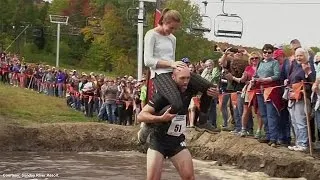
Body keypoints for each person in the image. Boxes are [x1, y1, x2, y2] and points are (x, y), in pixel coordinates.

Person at [139, 8, 215, 143]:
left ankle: (202, 120)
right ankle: (151, 123)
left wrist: (178, 68)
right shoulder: (151, 34)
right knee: (176, 102)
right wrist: (171, 64)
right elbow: (148, 61)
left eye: (175, 29)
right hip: (159, 73)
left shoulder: (172, 38)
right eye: (171, 27)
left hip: (173, 70)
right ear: (163, 21)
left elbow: (172, 58)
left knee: (210, 87)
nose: (172, 31)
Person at [137, 66, 218, 180]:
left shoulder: (189, 88)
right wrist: (160, 118)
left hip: (176, 140)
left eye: (188, 78)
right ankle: (145, 129)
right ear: (173, 78)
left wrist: (212, 93)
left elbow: (206, 91)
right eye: (182, 78)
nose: (185, 82)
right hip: (158, 140)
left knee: (189, 177)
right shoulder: (162, 96)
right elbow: (140, 116)